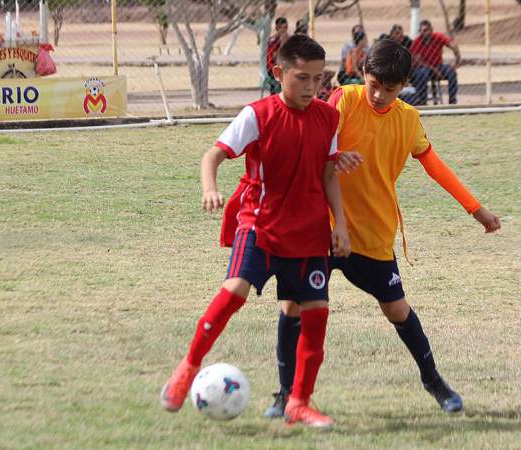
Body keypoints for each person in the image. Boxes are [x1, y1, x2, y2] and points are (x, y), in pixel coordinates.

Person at [261, 39, 501, 418]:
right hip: (319, 226)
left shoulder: (407, 118)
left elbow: (433, 164)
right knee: (293, 304)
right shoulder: (343, 100)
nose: (377, 94)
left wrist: (475, 208)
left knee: (396, 309)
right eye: (373, 84)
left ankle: (434, 381)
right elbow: (314, 137)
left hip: (371, 232)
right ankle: (285, 394)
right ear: (363, 75)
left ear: (404, 84)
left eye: (388, 89)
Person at [160, 34, 351, 429]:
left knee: (317, 314)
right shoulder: (257, 114)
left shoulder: (329, 117)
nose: (312, 87)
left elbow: (329, 173)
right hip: (261, 223)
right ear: (278, 72)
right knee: (234, 293)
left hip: (310, 230)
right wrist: (209, 187)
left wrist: (341, 226)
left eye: (319, 79)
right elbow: (213, 155)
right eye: (302, 78)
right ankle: (187, 368)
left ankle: (299, 402)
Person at [409, 20, 462, 105]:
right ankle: (422, 102)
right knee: (422, 73)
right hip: (423, 68)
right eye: (422, 31)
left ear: (432, 29)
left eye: (427, 30)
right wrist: (433, 69)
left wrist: (457, 59)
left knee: (451, 71)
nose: (425, 33)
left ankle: (452, 101)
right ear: (419, 32)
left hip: (438, 66)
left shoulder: (438, 37)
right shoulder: (417, 42)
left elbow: (452, 44)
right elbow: (418, 62)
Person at [266, 17, 289, 94]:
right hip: (273, 68)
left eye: (286, 28)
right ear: (276, 28)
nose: (284, 30)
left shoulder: (288, 39)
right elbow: (276, 58)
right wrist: (282, 43)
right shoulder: (273, 40)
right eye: (281, 28)